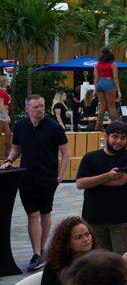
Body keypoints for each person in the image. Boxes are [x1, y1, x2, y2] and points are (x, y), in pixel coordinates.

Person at [2, 94, 69, 269]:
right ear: (27, 109)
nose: (39, 109)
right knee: (32, 214)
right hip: (26, 177)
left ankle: (43, 249)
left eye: (42, 106)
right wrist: (9, 160)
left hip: (48, 177)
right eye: (35, 107)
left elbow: (65, 153)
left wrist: (60, 175)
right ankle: (37, 253)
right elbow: (17, 148)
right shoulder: (20, 126)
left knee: (45, 212)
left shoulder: (54, 127)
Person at [74, 120, 127, 254]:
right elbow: (80, 184)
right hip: (93, 219)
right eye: (115, 137)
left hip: (122, 219)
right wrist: (108, 175)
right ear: (107, 136)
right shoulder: (90, 158)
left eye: (123, 138)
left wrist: (92, 181)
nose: (118, 141)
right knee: (99, 263)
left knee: (123, 262)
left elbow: (120, 181)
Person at [92, 48, 121, 130]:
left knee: (102, 105)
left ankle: (98, 126)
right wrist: (118, 90)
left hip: (99, 84)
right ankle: (115, 126)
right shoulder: (113, 64)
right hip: (109, 83)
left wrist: (95, 89)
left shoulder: (97, 65)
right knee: (111, 106)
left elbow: (96, 78)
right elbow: (115, 78)